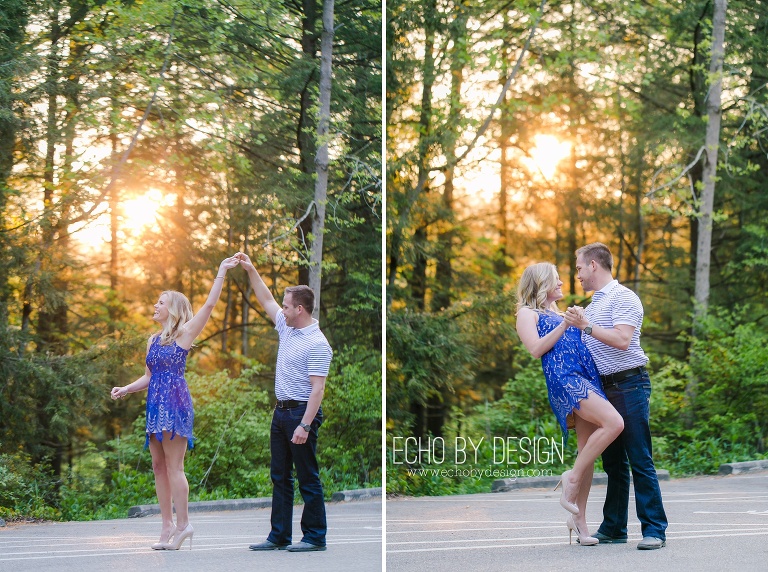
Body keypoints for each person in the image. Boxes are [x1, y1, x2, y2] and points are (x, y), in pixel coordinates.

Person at [111, 255, 241, 550]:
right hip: (154, 405)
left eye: (160, 302)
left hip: (175, 403)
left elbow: (209, 306)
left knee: (174, 467)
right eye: (156, 302)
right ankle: (167, 525)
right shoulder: (152, 340)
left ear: (174, 309)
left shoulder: (185, 333)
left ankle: (184, 525)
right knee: (158, 467)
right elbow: (148, 376)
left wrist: (220, 269)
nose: (155, 306)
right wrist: (126, 389)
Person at [564, 242, 668, 550]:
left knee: (639, 457)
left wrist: (587, 325)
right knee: (613, 463)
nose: (578, 274)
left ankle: (654, 529)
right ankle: (614, 527)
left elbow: (623, 340)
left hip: (630, 385)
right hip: (603, 389)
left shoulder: (623, 297)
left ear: (594, 265)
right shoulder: (593, 304)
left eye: (580, 267)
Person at [516, 262, 624, 546]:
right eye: (556, 280)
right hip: (565, 380)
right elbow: (536, 349)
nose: (563, 283)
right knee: (614, 423)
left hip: (586, 376)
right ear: (541, 284)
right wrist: (565, 324)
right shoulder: (526, 314)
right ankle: (571, 477)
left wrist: (579, 320)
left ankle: (579, 522)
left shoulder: (557, 312)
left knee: (585, 450)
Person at [237, 251, 333, 553]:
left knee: (308, 477)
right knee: (280, 477)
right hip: (280, 413)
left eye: (287, 305)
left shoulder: (318, 344)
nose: (282, 308)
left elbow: (318, 390)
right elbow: (265, 299)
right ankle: (279, 535)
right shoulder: (287, 327)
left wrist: (305, 424)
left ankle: (315, 536)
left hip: (302, 414)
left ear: (300, 309)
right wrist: (251, 268)